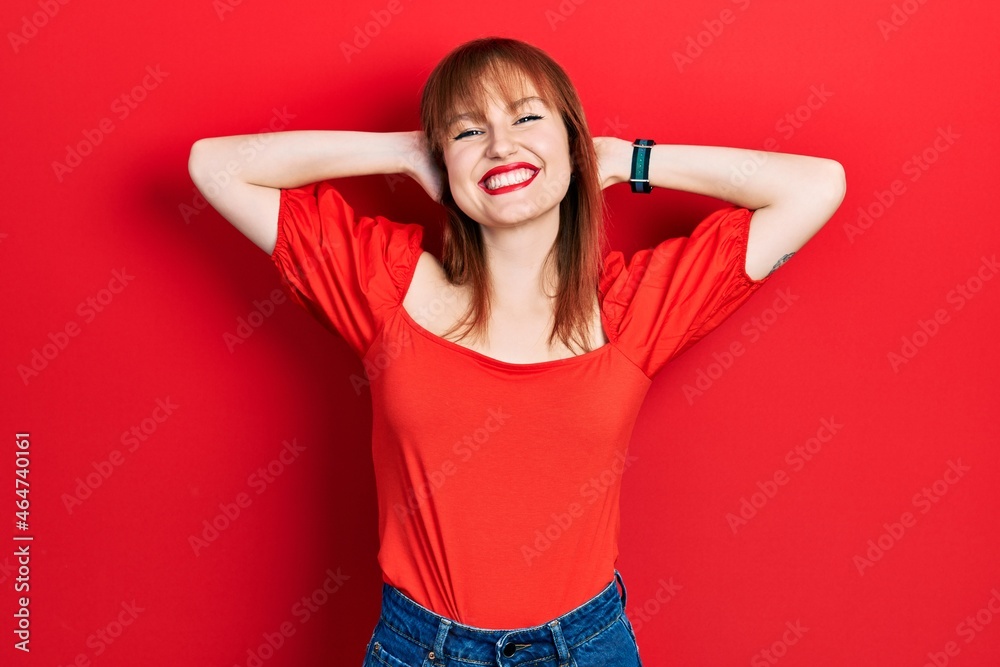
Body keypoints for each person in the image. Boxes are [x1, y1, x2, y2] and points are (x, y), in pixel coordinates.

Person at [188, 36, 845, 667]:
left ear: (571, 140)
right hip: (421, 649)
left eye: (526, 118)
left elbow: (816, 186)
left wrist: (624, 158)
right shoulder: (387, 287)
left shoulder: (635, 309)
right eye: (469, 130)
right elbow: (214, 165)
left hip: (584, 648)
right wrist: (406, 151)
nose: (500, 144)